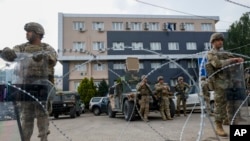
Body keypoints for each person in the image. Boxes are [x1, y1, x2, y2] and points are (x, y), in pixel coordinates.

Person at [0, 22, 57, 141]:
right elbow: (11, 56)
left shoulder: (47, 48)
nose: (27, 34)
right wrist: (6, 53)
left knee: (43, 121)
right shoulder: (21, 48)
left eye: (29, 31)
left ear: (38, 33)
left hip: (41, 88)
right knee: (26, 120)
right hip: (25, 87)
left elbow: (53, 59)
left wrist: (43, 56)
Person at [206, 32, 244, 137]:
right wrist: (232, 60)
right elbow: (217, 64)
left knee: (232, 104)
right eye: (218, 40)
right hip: (219, 82)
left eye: (221, 40)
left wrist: (238, 60)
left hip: (230, 81)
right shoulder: (211, 53)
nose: (220, 42)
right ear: (213, 42)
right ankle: (218, 126)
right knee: (220, 105)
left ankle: (229, 120)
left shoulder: (225, 53)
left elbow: (235, 60)